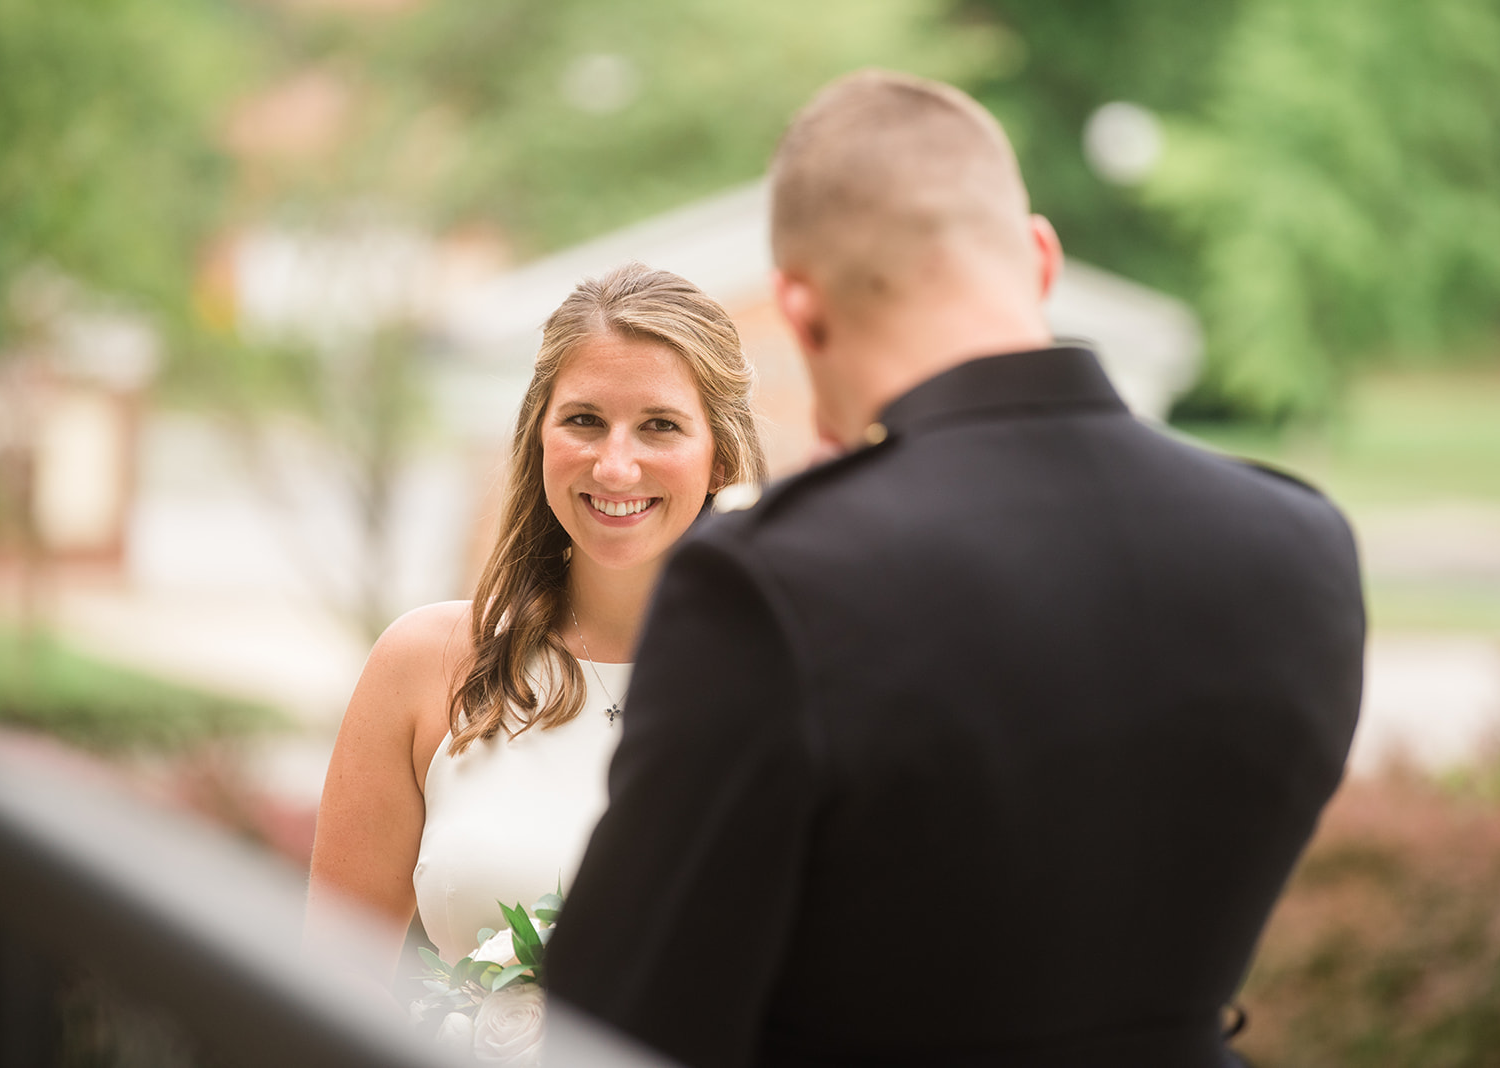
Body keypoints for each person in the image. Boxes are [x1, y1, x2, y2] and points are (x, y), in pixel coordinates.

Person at [546, 70, 1365, 1068]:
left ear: (801, 314)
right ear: (1040, 258)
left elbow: (615, 1029)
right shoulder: (1301, 544)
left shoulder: (775, 585)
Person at [305, 263, 767, 980]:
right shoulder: (423, 666)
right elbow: (328, 993)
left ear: (719, 456)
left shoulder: (786, 682)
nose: (616, 467)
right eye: (584, 420)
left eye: (660, 426)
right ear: (539, 436)